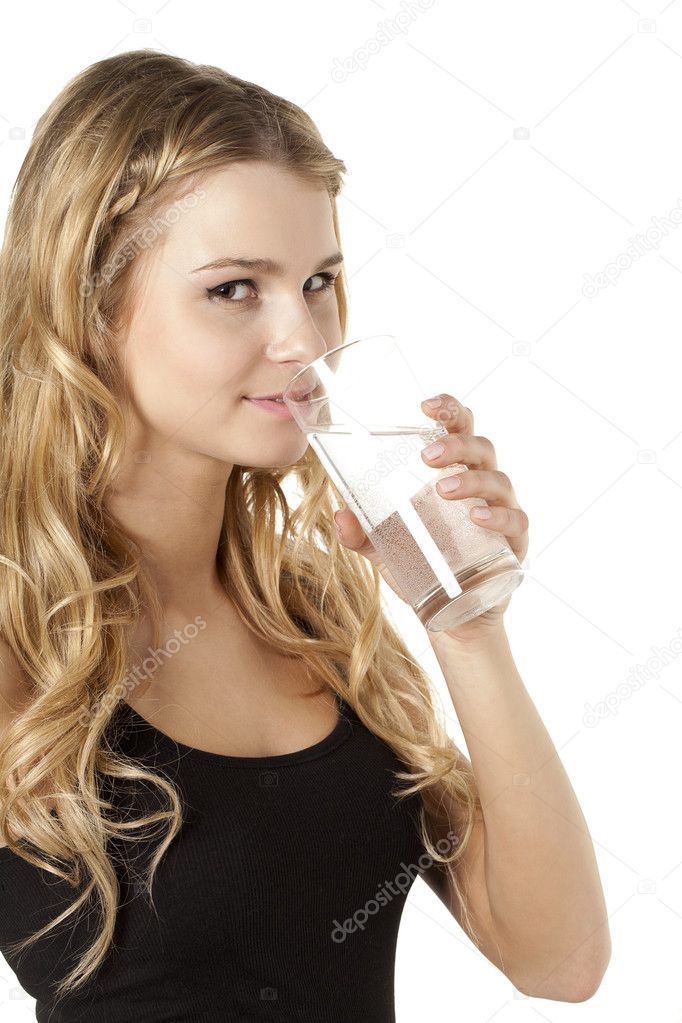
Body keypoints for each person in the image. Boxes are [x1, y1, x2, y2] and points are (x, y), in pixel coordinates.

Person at [0, 50, 610, 1022]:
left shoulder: (318, 615)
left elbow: (559, 959)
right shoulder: (17, 624)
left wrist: (466, 621)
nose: (305, 338)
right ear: (90, 305)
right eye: (236, 288)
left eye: (318, 280)